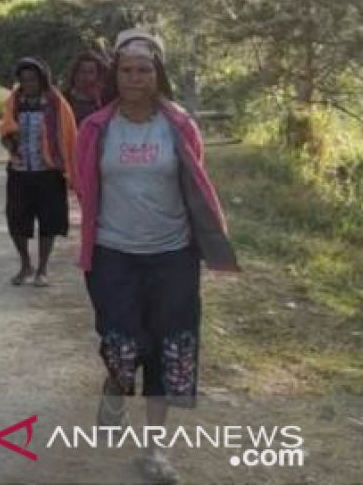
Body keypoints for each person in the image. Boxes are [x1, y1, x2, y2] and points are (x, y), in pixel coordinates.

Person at [75, 30, 239, 484]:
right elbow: (83, 182)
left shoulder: (180, 125)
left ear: (157, 73)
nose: (134, 78)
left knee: (170, 348)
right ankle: (115, 386)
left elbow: (195, 180)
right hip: (113, 254)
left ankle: (154, 450)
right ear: (115, 74)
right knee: (123, 345)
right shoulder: (96, 127)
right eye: (126, 70)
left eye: (144, 70)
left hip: (172, 255)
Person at [0, 58, 78, 288]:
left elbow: (69, 134)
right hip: (19, 171)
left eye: (32, 79)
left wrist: (69, 167)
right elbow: (5, 129)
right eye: (23, 80)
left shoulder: (56, 104)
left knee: (48, 222)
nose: (28, 84)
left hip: (48, 172)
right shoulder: (14, 102)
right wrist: (10, 141)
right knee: (16, 221)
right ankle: (25, 264)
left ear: (42, 79)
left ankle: (43, 268)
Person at [64, 50, 109, 125]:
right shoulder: (64, 99)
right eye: (83, 71)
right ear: (76, 74)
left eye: (91, 72)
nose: (87, 77)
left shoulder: (104, 101)